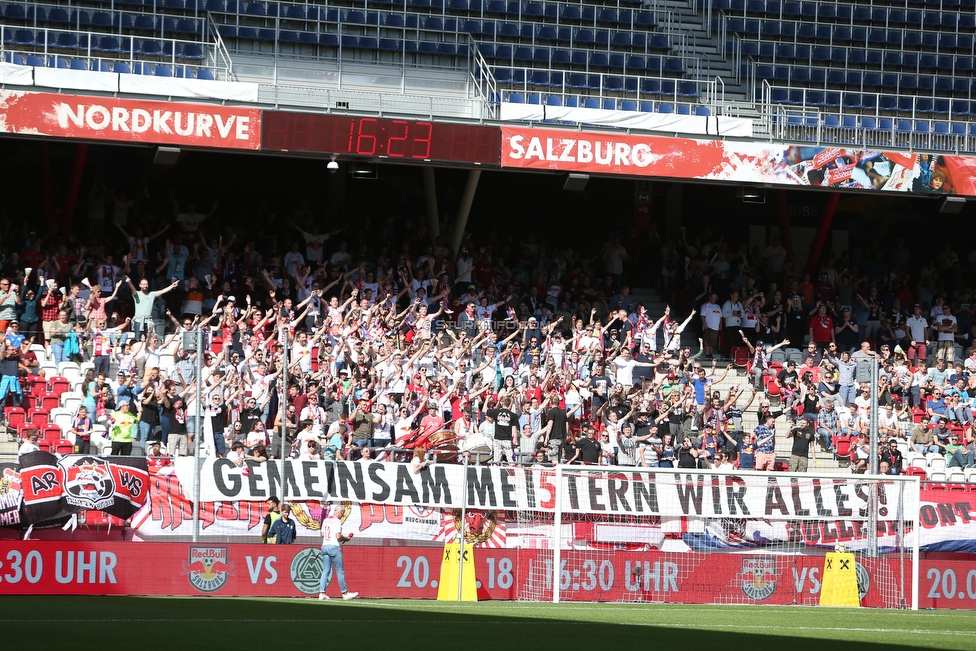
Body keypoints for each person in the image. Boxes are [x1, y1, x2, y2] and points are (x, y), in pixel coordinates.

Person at [318, 501, 358, 601]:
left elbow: (323, 534)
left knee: (326, 570)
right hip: (334, 547)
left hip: (325, 546)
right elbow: (338, 536)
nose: (342, 516)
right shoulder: (336, 521)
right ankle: (345, 593)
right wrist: (346, 539)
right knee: (340, 570)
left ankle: (322, 593)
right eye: (342, 514)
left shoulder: (326, 520)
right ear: (340, 512)